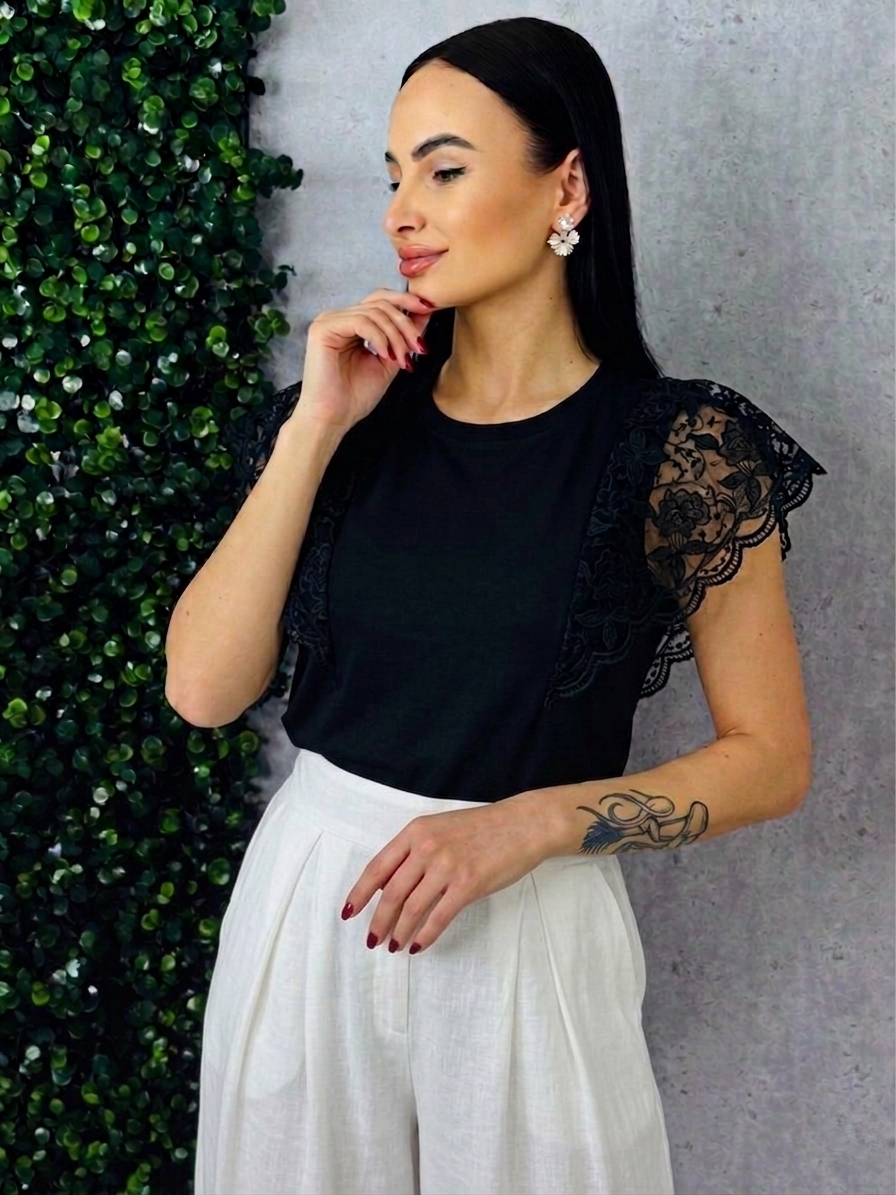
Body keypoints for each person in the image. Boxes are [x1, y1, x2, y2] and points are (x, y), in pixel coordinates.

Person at [165, 16, 828, 1195]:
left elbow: (770, 759)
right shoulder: (345, 418)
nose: (399, 212)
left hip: (532, 926)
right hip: (313, 909)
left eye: (443, 170)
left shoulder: (679, 449)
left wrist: (529, 825)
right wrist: (315, 428)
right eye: (393, 175)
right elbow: (205, 690)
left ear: (563, 186)